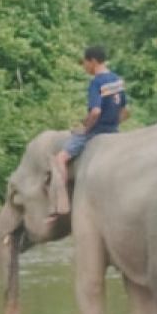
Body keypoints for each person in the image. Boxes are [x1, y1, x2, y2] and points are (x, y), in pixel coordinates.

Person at [51, 45, 128, 215]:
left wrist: (84, 128)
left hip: (97, 130)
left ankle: (62, 201)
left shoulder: (96, 82)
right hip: (113, 131)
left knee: (60, 159)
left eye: (84, 63)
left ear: (92, 61)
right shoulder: (117, 80)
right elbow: (125, 111)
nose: (84, 66)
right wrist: (113, 124)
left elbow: (95, 111)